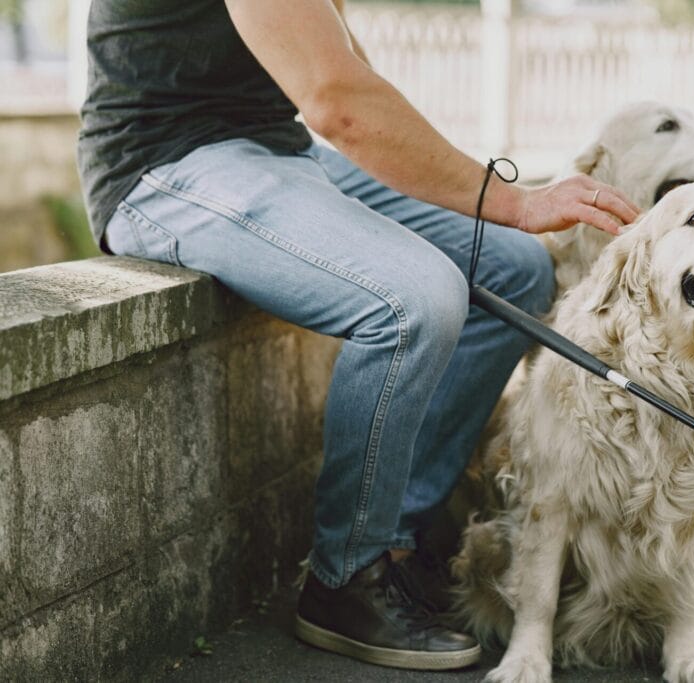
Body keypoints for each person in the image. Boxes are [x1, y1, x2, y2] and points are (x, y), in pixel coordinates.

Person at [76, 0, 638, 672]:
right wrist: (517, 200)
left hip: (277, 147)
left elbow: (347, 74)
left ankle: (397, 537)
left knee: (513, 266)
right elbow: (336, 102)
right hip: (167, 166)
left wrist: (468, 195)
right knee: (414, 298)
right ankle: (345, 578)